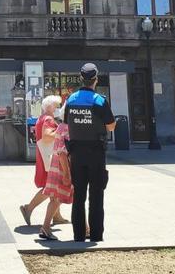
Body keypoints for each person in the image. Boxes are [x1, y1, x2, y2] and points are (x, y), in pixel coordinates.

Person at [64, 63, 115, 242]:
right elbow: (110, 125)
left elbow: (66, 123)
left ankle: (78, 235)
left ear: (81, 79)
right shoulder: (100, 100)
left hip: (76, 153)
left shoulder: (70, 100)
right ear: (96, 79)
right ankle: (95, 235)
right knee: (96, 195)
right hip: (96, 152)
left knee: (78, 195)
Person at [20, 95, 68, 227]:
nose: (58, 108)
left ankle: (57, 216)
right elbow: (47, 136)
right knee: (50, 187)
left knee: (53, 187)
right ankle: (28, 208)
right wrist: (61, 131)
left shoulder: (42, 118)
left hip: (44, 155)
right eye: (56, 105)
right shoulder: (48, 119)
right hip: (49, 157)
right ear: (50, 107)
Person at [39, 104, 72, 240]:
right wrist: (66, 174)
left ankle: (46, 227)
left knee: (58, 198)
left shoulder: (61, 126)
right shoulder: (68, 128)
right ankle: (45, 227)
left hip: (58, 164)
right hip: (63, 166)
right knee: (59, 198)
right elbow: (63, 152)